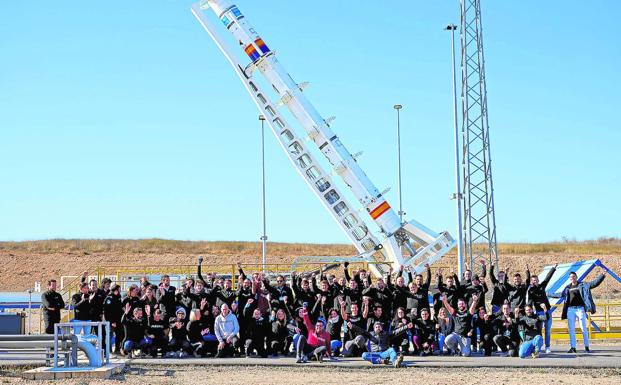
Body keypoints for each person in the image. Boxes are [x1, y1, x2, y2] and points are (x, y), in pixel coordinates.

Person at [560, 269, 607, 353]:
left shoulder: (583, 285)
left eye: (573, 276)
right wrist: (548, 293)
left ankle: (586, 346)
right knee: (571, 329)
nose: (572, 278)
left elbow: (593, 283)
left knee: (583, 329)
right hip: (570, 310)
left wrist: (602, 275)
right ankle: (573, 347)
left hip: (580, 309)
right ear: (569, 279)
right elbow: (561, 294)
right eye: (570, 277)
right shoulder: (567, 287)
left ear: (576, 277)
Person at [526, 263, 557, 353]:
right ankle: (537, 347)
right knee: (538, 330)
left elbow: (548, 277)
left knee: (547, 330)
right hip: (538, 313)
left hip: (547, 311)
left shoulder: (542, 285)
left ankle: (547, 347)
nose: (535, 281)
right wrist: (528, 309)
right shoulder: (530, 290)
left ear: (538, 280)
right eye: (533, 280)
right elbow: (529, 301)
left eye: (536, 280)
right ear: (531, 282)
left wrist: (553, 268)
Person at [103, 284, 123, 354]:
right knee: (109, 335)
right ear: (116, 290)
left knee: (118, 335)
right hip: (111, 321)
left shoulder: (119, 297)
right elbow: (107, 312)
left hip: (118, 320)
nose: (120, 291)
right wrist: (112, 322)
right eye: (119, 289)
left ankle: (117, 349)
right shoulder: (109, 298)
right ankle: (109, 351)